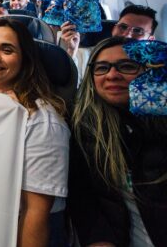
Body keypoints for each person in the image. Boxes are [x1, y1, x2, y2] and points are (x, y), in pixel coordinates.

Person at [0, 18, 69, 247]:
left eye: (7, 50)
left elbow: (35, 211)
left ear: (25, 60)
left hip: (18, 224)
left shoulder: (42, 120)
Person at [69, 37, 167, 246]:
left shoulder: (161, 127)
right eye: (102, 68)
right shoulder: (83, 130)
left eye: (127, 66)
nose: (112, 75)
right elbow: (86, 201)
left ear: (147, 72)